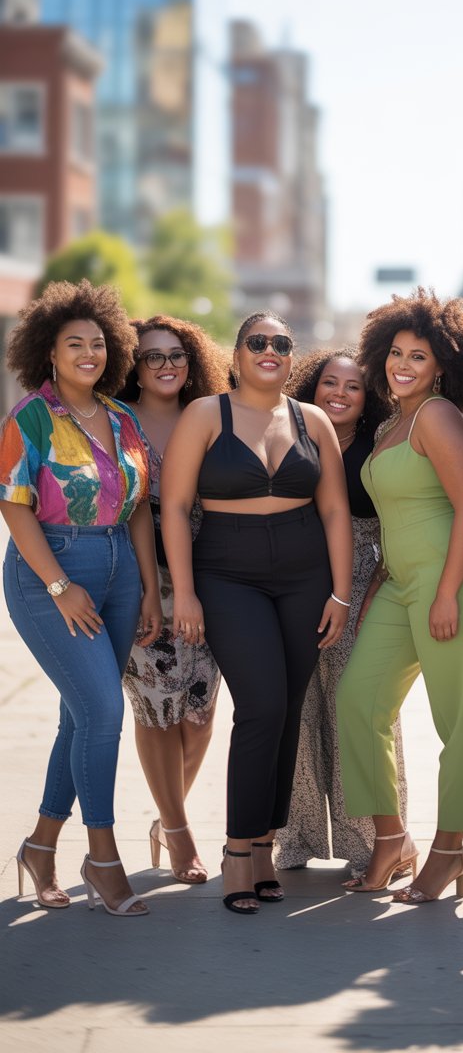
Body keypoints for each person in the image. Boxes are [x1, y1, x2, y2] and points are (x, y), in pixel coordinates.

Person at [161, 311, 352, 914]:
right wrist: (186, 592)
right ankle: (238, 850)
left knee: (289, 709)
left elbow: (335, 513)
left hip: (304, 576)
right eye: (257, 342)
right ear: (237, 354)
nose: (270, 351)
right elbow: (173, 507)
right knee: (261, 705)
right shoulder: (203, 415)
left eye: (281, 343)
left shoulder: (312, 419)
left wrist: (340, 593)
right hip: (227, 574)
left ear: (291, 357)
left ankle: (266, 845)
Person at [336, 289, 463, 903]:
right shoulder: (390, 424)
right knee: (358, 700)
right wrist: (386, 572)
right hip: (401, 582)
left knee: (456, 722)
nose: (403, 365)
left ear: (443, 367)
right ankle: (391, 839)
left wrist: (447, 592)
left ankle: (450, 851)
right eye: (397, 353)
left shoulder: (436, 415)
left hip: (454, 581)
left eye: (420, 357)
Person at [1, 280, 162, 917]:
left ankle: (41, 848)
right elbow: (15, 511)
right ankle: (101, 857)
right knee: (102, 713)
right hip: (52, 569)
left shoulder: (121, 418)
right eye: (75, 344)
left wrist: (149, 587)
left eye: (98, 343)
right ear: (50, 352)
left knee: (82, 716)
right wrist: (60, 587)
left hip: (121, 568)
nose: (89, 354)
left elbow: (141, 510)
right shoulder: (29, 418)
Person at [276, 348, 409, 876]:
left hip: (363, 582)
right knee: (299, 710)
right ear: (313, 386)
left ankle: (373, 842)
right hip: (295, 579)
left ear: (367, 396)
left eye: (352, 386)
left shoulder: (379, 446)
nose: (339, 393)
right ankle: (296, 839)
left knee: (360, 712)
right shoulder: (290, 438)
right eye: (329, 382)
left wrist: (379, 578)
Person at [118, 315, 230, 884]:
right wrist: (148, 593)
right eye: (152, 356)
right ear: (132, 367)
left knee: (201, 715)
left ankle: (169, 817)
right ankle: (181, 835)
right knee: (156, 710)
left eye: (176, 354)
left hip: (210, 576)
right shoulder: (118, 421)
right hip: (142, 582)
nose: (166, 365)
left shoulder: (210, 413)